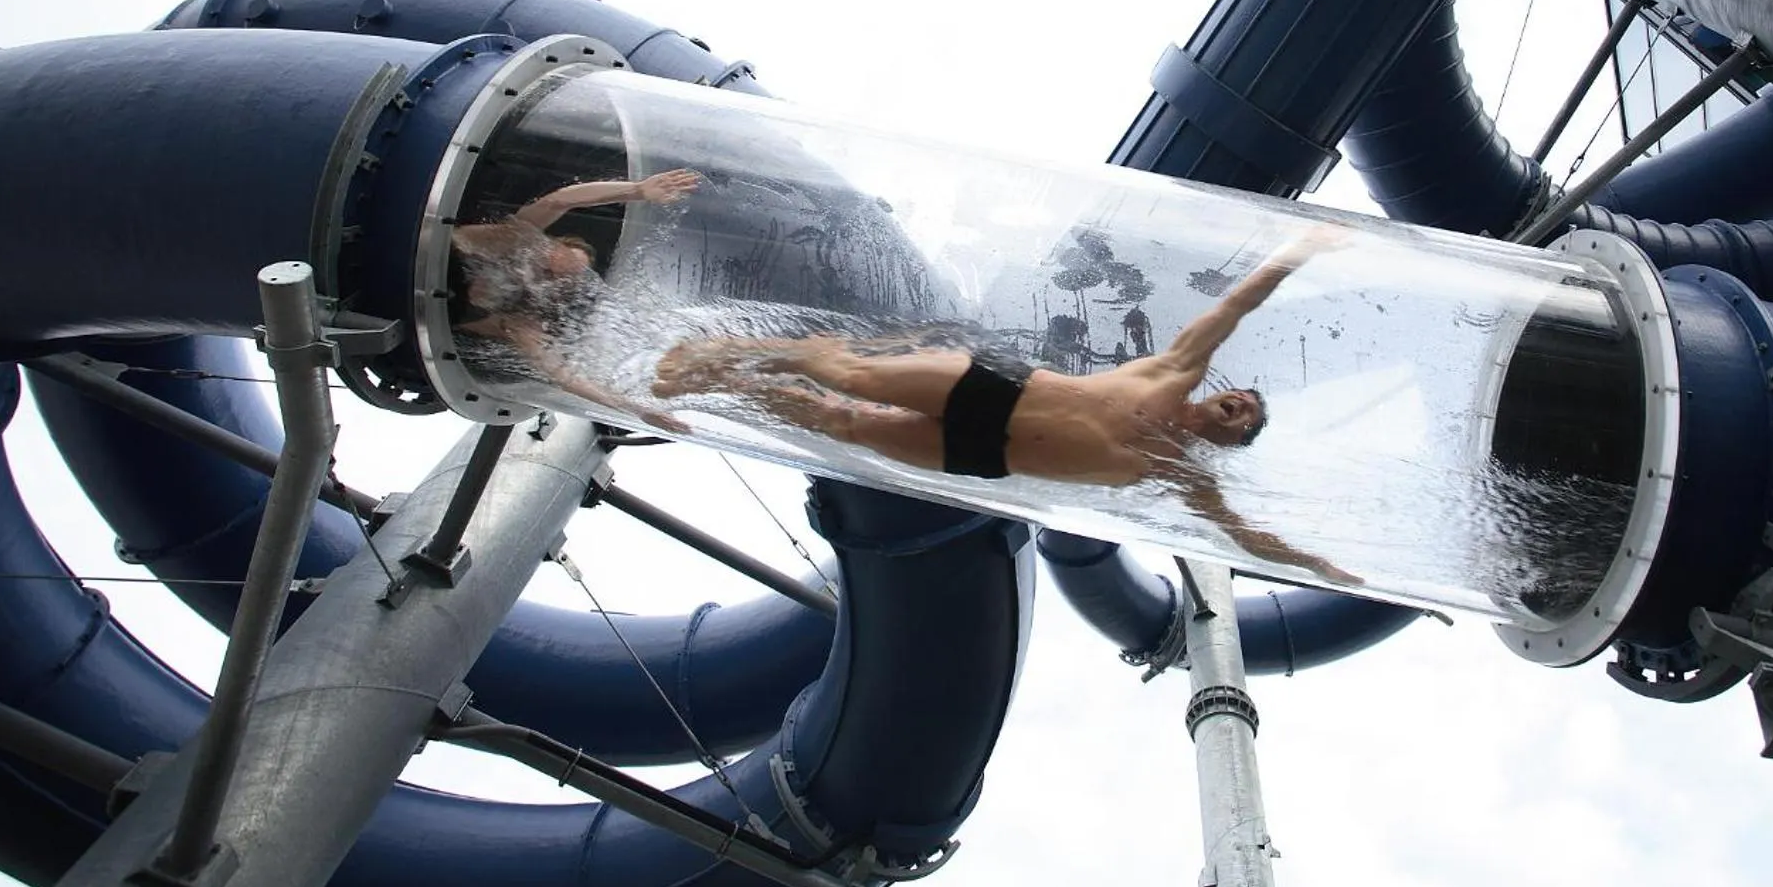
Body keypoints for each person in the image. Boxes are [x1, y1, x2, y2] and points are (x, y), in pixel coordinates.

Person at [652, 224, 1359, 583]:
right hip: (993, 388)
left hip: (984, 454)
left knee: (849, 426)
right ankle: (725, 351)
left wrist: (1325, 568)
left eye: (1243, 419)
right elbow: (1236, 303)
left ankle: (721, 382)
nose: (1235, 405)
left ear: (1230, 441)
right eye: (1238, 398)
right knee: (852, 376)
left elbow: (1243, 536)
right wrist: (1304, 248)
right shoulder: (1174, 371)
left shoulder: (1182, 474)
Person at [452, 168, 702, 423]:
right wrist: (637, 190)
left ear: (560, 293)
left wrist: (637, 411)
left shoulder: (520, 321)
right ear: (552, 243)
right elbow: (562, 199)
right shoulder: (515, 239)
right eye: (559, 260)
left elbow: (564, 376)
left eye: (563, 278)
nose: (554, 272)